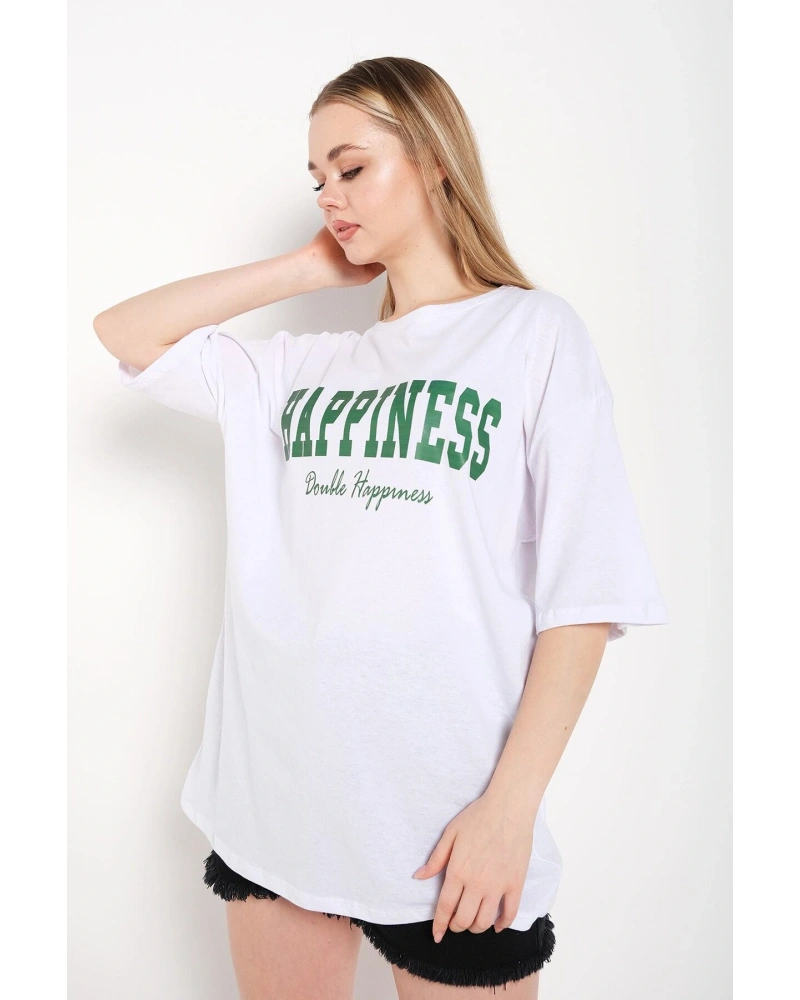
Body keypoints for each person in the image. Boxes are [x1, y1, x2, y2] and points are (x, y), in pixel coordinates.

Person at [95, 56, 669, 999]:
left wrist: (509, 810)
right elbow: (125, 331)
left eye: (352, 167)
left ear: (436, 160)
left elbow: (586, 592)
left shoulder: (533, 334)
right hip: (275, 794)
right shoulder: (306, 367)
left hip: (444, 819)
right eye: (317, 178)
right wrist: (307, 267)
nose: (330, 193)